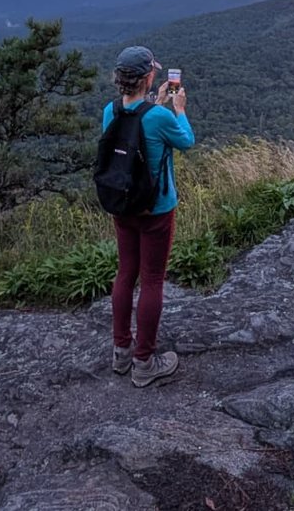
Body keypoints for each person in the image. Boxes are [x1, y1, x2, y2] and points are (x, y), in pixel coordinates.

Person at [104, 46, 195, 387]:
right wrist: (179, 109)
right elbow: (186, 141)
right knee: (152, 280)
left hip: (122, 205)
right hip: (156, 208)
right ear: (148, 77)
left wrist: (154, 103)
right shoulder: (160, 117)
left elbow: (135, 128)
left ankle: (121, 351)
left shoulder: (110, 110)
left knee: (125, 273)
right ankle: (144, 362)